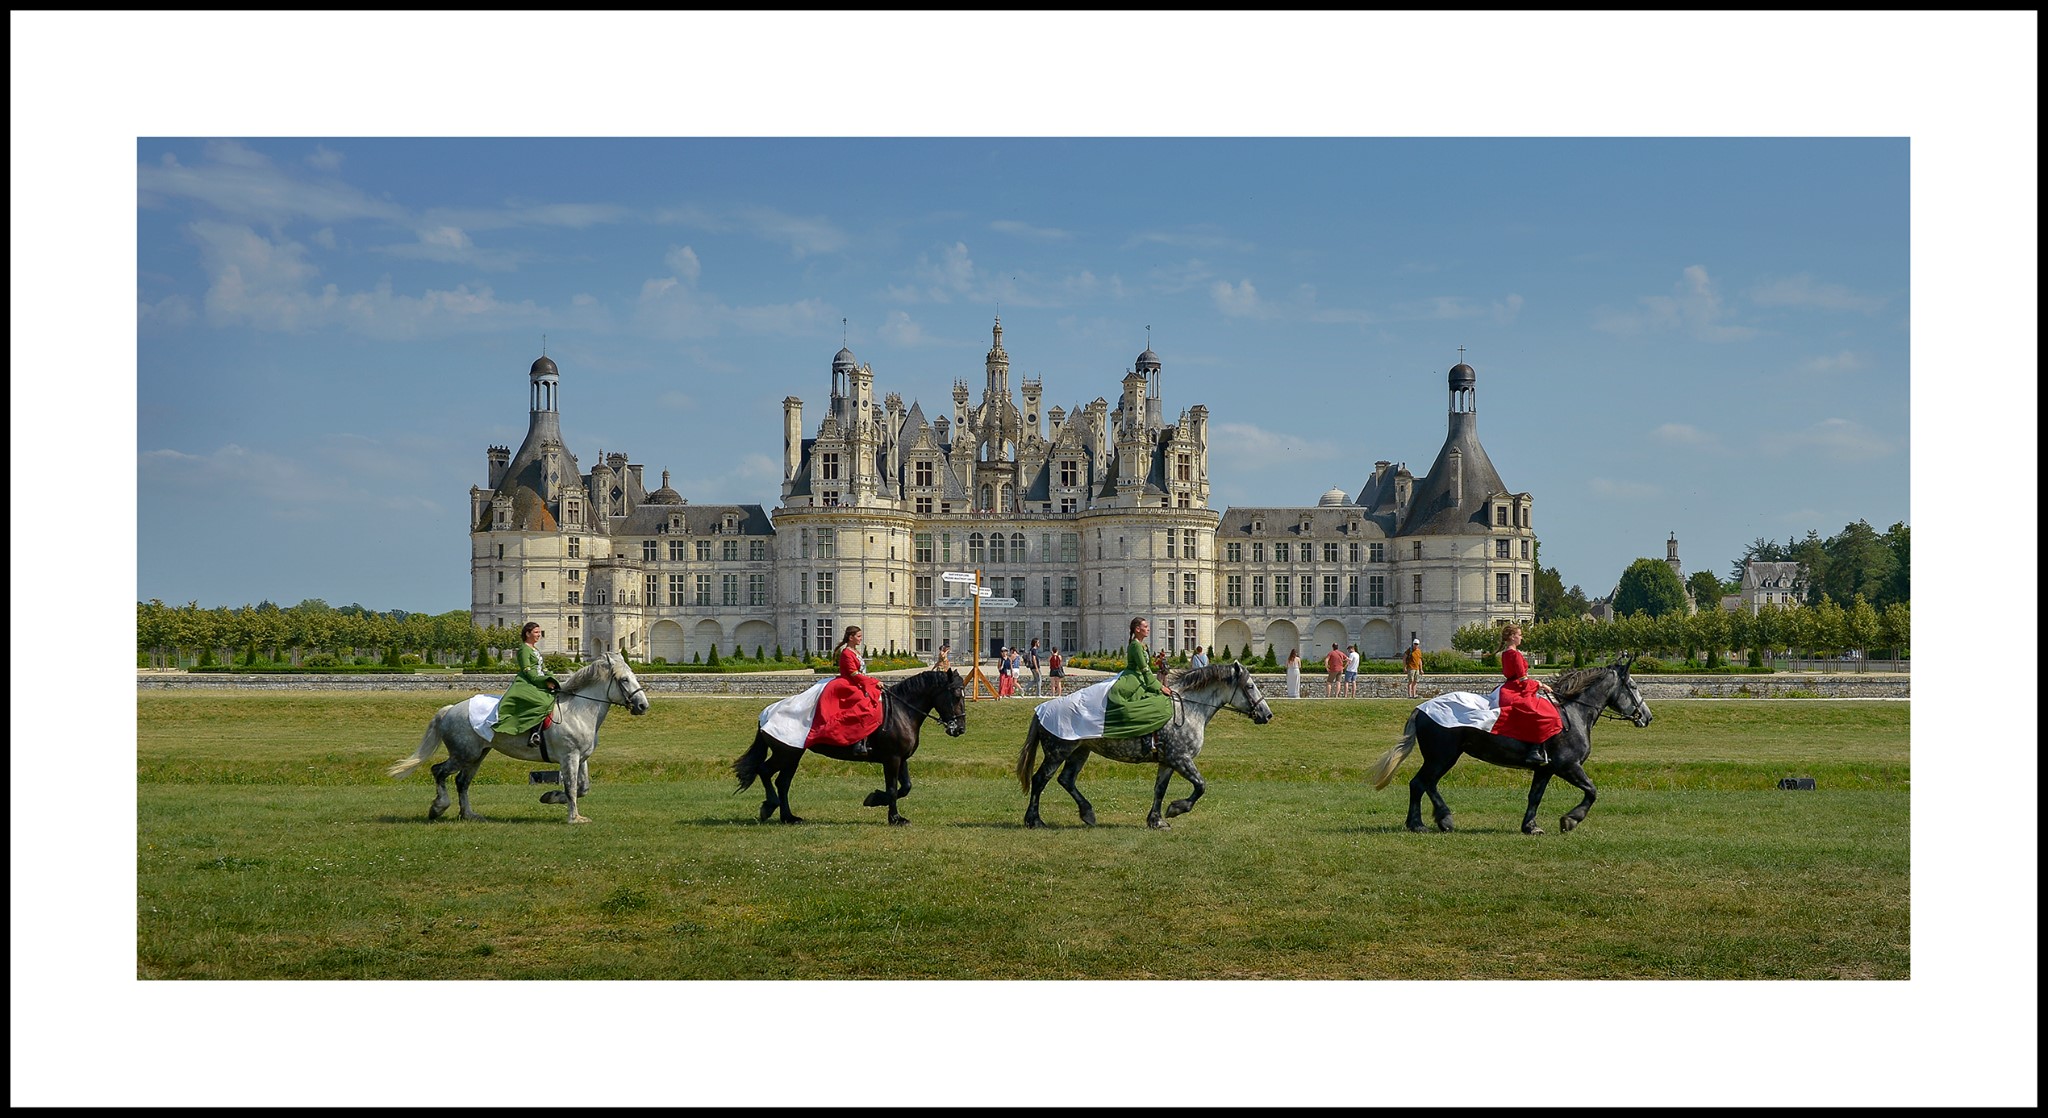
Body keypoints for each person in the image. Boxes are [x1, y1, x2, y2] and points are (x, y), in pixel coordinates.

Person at [1103, 617, 1175, 759]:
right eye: (1145, 626)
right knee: (1150, 703)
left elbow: (1147, 668)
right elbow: (1144, 670)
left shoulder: (1143, 646)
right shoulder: (1135, 646)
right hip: (1133, 681)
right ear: (1137, 629)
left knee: (1158, 700)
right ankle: (1146, 738)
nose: (1148, 629)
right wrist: (1160, 687)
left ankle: (1153, 736)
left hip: (1140, 680)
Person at [805, 625, 881, 756]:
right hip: (849, 685)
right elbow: (854, 674)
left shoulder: (856, 652)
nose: (860, 639)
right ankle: (859, 741)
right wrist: (873, 682)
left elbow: (861, 673)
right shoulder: (846, 653)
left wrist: (871, 681)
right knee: (864, 705)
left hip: (857, 683)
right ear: (851, 637)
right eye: (858, 636)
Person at [1493, 623, 1560, 767]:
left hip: (1509, 687)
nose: (1521, 637)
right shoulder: (1515, 654)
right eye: (1520, 634)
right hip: (1516, 690)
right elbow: (1523, 680)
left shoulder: (1505, 653)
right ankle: (1534, 750)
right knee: (1547, 714)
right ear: (1512, 637)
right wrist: (1541, 685)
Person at [492, 621, 559, 746]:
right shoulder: (524, 649)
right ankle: (534, 733)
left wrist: (552, 679)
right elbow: (529, 673)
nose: (539, 635)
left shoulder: (534, 649)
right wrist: (545, 683)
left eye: (539, 632)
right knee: (543, 702)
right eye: (536, 632)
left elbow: (543, 669)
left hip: (538, 681)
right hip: (527, 683)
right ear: (527, 633)